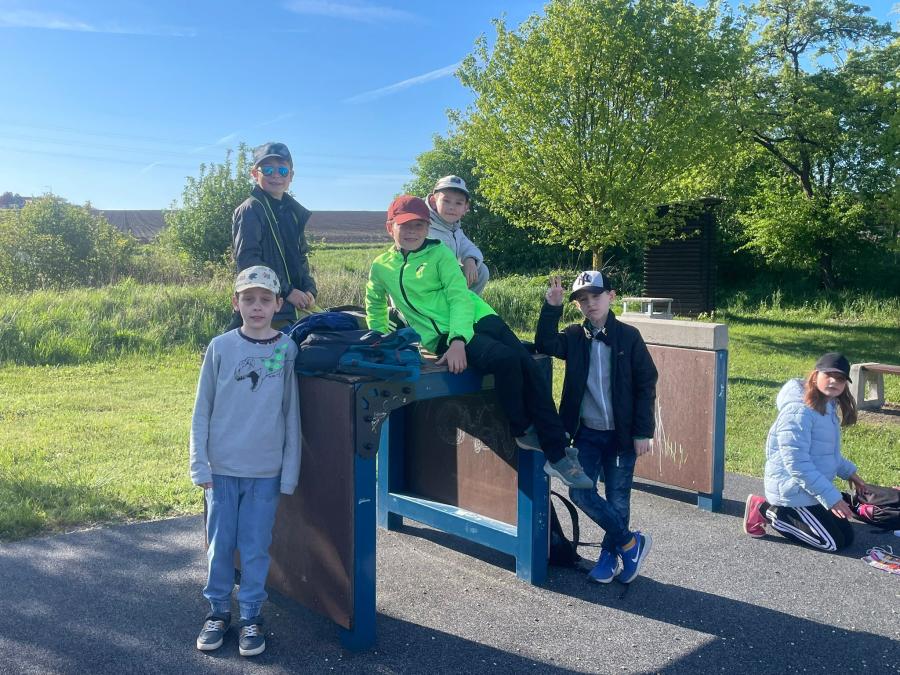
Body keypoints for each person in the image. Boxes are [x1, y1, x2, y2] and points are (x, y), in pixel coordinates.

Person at [366, 195, 592, 489]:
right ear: (390, 228)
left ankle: (558, 449)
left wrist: (459, 339)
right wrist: (382, 342)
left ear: (427, 228)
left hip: (479, 317)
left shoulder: (439, 254)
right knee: (507, 361)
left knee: (528, 365)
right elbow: (374, 305)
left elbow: (458, 296)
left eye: (419, 225)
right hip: (443, 336)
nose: (412, 231)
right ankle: (526, 432)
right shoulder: (381, 267)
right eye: (405, 225)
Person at [190, 265, 301, 657]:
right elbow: (202, 409)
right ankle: (218, 612)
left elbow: (290, 413)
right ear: (235, 303)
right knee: (220, 546)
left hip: (265, 472)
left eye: (265, 300)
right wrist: (199, 463)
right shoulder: (220, 347)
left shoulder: (286, 349)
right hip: (221, 470)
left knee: (255, 547)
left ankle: (251, 615)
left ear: (277, 304)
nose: (257, 307)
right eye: (248, 299)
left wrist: (289, 472)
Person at [535, 272, 658, 584]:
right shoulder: (574, 336)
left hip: (622, 435)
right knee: (580, 492)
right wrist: (552, 307)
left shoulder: (629, 337)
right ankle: (630, 543)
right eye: (582, 300)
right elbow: (544, 342)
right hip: (586, 434)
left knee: (618, 498)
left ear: (611, 297)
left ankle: (609, 554)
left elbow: (646, 384)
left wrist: (643, 432)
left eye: (596, 296)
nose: (590, 304)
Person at [743, 352, 867, 552]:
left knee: (847, 538)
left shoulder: (827, 405)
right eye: (829, 375)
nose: (834, 381)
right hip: (792, 492)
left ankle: (798, 514)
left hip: (810, 490)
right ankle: (765, 509)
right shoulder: (798, 411)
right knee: (831, 543)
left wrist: (850, 473)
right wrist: (832, 498)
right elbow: (797, 465)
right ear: (815, 376)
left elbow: (826, 454)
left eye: (840, 378)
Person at [229, 142, 317, 330]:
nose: (276, 175)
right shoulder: (250, 210)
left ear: (291, 176)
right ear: (255, 174)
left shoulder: (292, 213)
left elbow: (301, 258)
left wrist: (309, 289)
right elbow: (248, 262)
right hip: (264, 310)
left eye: (283, 170)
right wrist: (287, 291)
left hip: (293, 309)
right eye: (268, 170)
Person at [426, 175, 490, 295]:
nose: (452, 207)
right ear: (433, 202)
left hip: (447, 278)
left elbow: (467, 246)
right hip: (427, 283)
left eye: (458, 203)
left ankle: (467, 304)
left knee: (481, 271)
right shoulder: (423, 226)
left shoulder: (454, 228)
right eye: (446, 201)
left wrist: (470, 259)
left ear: (465, 208)